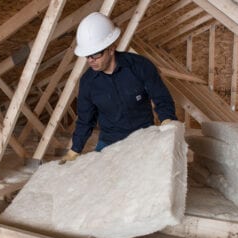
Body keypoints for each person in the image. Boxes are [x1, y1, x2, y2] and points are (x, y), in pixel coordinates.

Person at [60, 12, 177, 164]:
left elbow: (162, 99)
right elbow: (85, 121)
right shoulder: (88, 82)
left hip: (143, 138)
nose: (91, 61)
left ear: (111, 49)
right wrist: (74, 150)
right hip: (109, 143)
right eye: (87, 56)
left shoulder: (140, 66)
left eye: (95, 55)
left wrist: (167, 121)